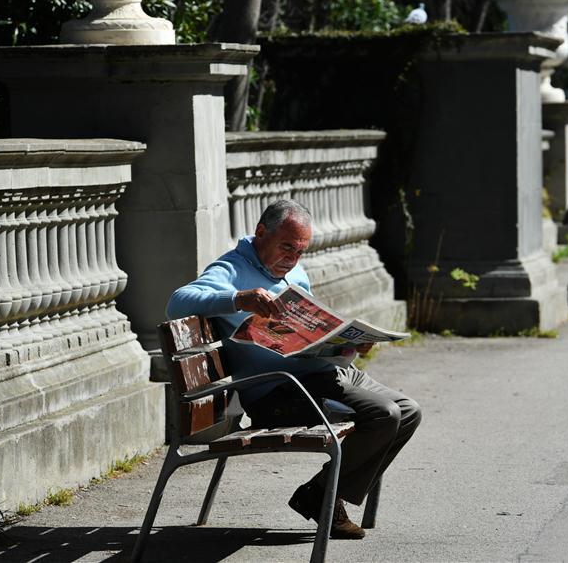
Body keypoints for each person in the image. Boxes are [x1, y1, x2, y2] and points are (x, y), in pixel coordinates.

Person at [166, 199, 422, 539]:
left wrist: (346, 346)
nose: (293, 259)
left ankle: (320, 492)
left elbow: (310, 332)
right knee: (384, 414)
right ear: (260, 233)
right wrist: (238, 299)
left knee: (409, 411)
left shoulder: (295, 273)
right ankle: (323, 497)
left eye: (300, 251)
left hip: (322, 374)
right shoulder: (231, 269)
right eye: (286, 247)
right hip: (281, 391)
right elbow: (177, 302)